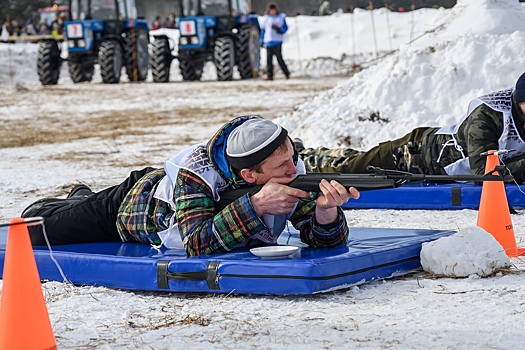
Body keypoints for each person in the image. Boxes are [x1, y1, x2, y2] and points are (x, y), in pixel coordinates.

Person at [22, 116, 359, 257]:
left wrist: (325, 212)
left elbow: (324, 241)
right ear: (249, 177)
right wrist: (255, 206)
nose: (293, 168)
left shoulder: (286, 167)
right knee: (35, 229)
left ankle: (81, 196)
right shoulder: (195, 174)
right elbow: (195, 242)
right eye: (282, 166)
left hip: (151, 208)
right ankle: (76, 198)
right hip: (127, 208)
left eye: (292, 156)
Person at [297, 72, 525, 184]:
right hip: (416, 153)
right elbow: (484, 174)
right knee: (350, 170)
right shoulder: (487, 117)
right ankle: (302, 159)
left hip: (435, 160)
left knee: (355, 161)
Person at [260, 2, 291, 81]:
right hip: (268, 42)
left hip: (277, 41)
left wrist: (279, 30)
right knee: (269, 60)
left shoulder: (280, 17)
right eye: (271, 10)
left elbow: (285, 28)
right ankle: (270, 75)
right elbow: (263, 30)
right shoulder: (267, 19)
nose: (272, 12)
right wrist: (262, 40)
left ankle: (286, 73)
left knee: (279, 59)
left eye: (274, 10)